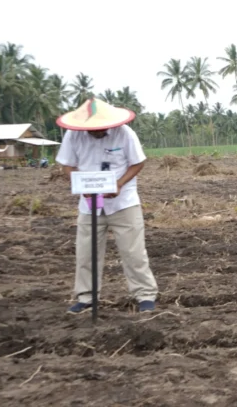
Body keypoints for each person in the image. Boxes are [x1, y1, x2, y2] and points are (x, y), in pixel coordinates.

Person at [56, 98, 158, 314]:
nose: (97, 131)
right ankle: (86, 297)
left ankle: (145, 295)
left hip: (123, 203)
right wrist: (80, 183)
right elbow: (67, 164)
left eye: (101, 127)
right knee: (86, 252)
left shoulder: (125, 134)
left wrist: (119, 184)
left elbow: (138, 162)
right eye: (92, 129)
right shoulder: (73, 135)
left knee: (133, 252)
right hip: (89, 204)